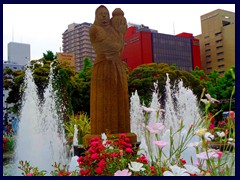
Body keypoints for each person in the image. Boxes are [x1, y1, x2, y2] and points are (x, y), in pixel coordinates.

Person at [89, 5, 130, 134]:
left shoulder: (114, 31)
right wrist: (118, 39)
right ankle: (102, 133)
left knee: (120, 98)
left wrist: (121, 34)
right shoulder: (94, 29)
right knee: (103, 101)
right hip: (102, 67)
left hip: (117, 66)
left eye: (106, 14)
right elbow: (107, 46)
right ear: (96, 16)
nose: (104, 16)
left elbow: (119, 49)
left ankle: (121, 132)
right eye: (101, 14)